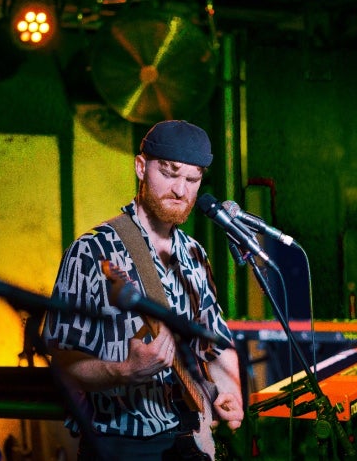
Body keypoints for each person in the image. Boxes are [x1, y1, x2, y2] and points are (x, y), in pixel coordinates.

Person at [42, 120, 243, 461]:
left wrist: (229, 391)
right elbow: (63, 362)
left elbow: (217, 343)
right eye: (169, 173)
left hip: (191, 438)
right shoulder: (91, 251)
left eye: (192, 179)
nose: (180, 190)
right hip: (122, 444)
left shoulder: (194, 253)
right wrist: (125, 371)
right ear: (140, 167)